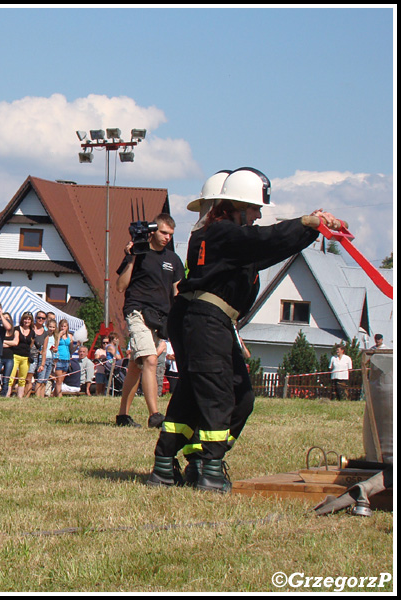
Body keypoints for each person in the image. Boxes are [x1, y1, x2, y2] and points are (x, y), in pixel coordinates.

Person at [147, 167, 343, 493]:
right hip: (204, 322)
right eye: (254, 209)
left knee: (224, 396)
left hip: (210, 322)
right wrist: (307, 225)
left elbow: (266, 247)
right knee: (221, 395)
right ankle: (206, 469)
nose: (258, 215)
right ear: (237, 206)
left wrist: (309, 230)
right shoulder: (222, 234)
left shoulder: (225, 237)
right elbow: (265, 241)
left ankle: (177, 462)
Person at [115, 213, 184, 428]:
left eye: (170, 235)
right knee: (150, 360)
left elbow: (177, 290)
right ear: (153, 231)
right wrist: (132, 257)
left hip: (160, 319)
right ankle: (155, 415)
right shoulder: (139, 253)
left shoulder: (173, 260)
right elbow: (120, 286)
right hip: (137, 312)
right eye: (163, 232)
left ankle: (123, 416)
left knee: (137, 366)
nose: (167, 238)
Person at [6, 312, 35, 398]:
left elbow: (31, 344)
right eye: (25, 319)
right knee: (11, 377)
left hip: (25, 357)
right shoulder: (16, 329)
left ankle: (20, 397)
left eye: (29, 319)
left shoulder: (32, 332)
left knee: (22, 379)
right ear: (22, 320)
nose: (27, 321)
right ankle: (7, 395)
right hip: (15, 355)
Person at [52, 318, 75, 397]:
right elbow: (55, 346)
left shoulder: (70, 336)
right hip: (59, 358)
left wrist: (77, 345)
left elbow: (71, 349)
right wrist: (59, 336)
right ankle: (59, 396)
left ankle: (54, 395)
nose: (63, 328)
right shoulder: (57, 335)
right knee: (59, 380)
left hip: (66, 359)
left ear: (67, 327)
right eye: (61, 326)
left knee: (61, 380)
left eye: (64, 326)